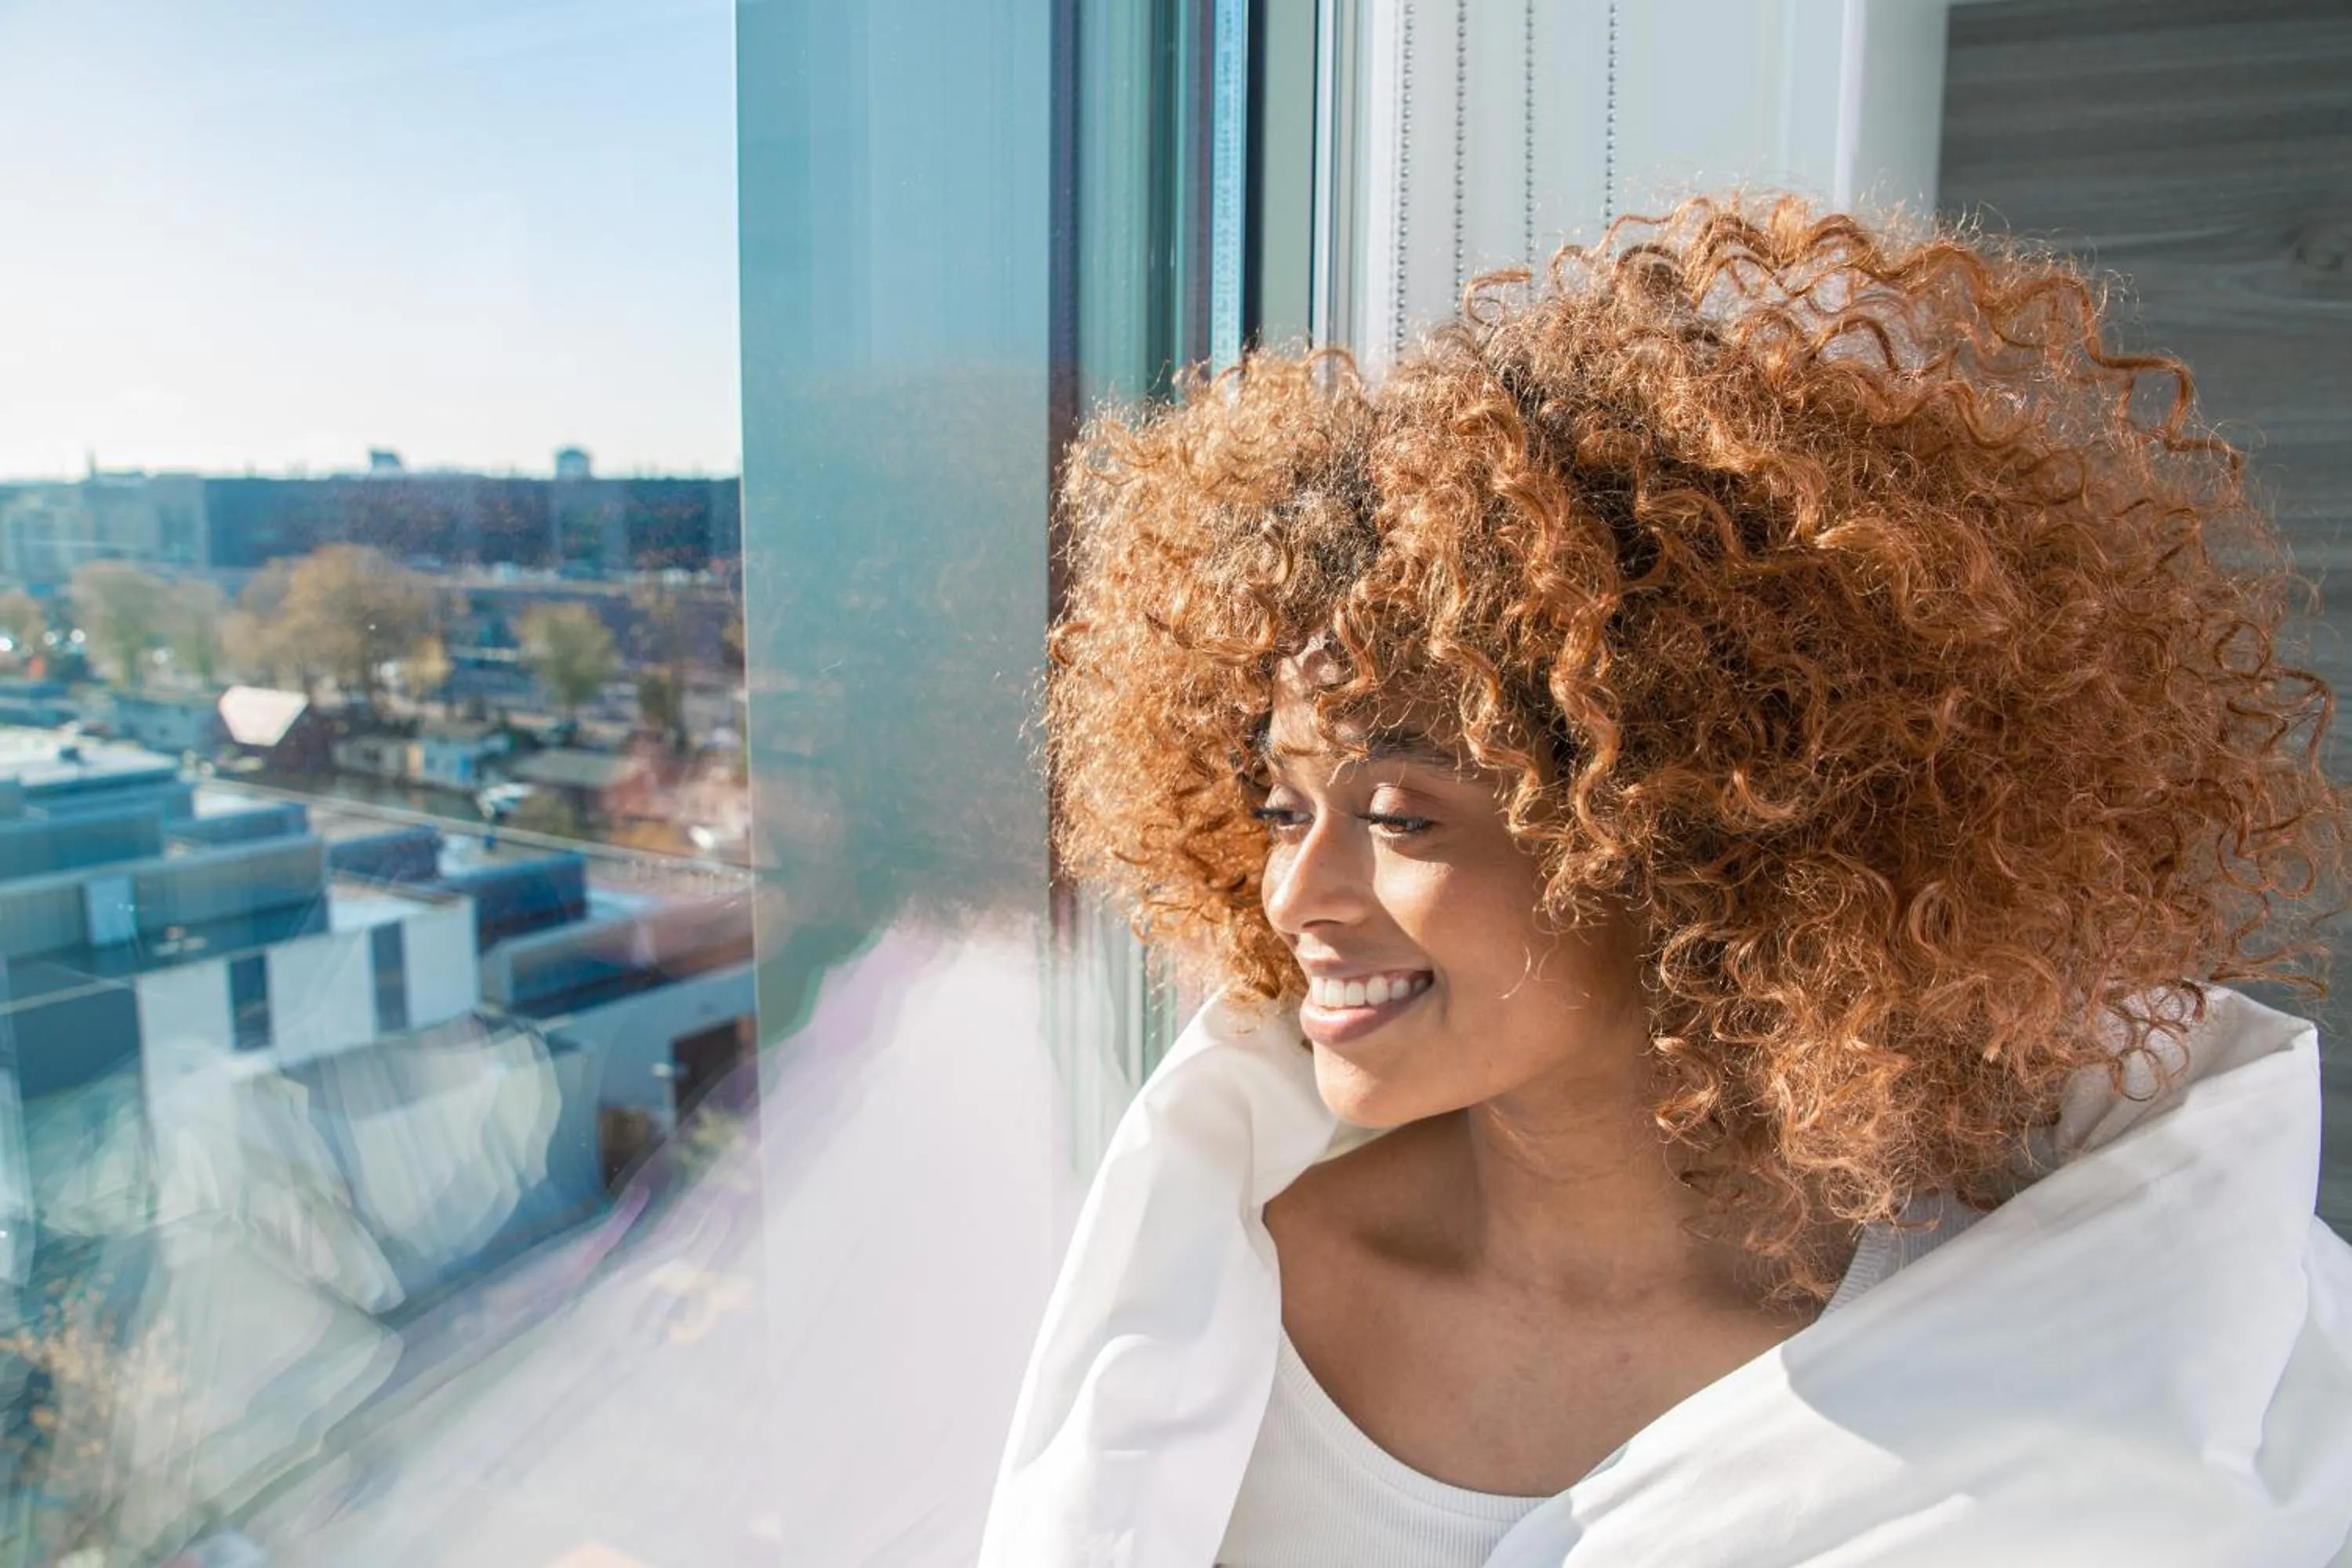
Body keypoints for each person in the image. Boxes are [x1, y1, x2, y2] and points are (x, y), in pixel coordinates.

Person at [978, 197, 2352, 1566]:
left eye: (1399, 817)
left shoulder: (2068, 1355)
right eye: (1280, 808)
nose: (1292, 898)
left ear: (1681, 836)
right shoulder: (1212, 1293)